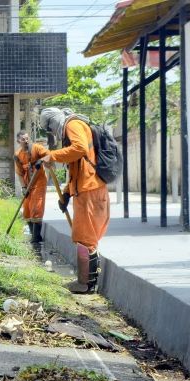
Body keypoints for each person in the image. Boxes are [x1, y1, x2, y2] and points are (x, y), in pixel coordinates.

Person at [39, 107, 110, 294]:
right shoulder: (74, 126)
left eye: (50, 128)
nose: (52, 133)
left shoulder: (73, 124)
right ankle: (87, 282)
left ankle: (84, 284)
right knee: (86, 238)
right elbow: (76, 168)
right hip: (86, 189)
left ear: (53, 122)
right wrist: (67, 193)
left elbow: (79, 150)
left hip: (90, 190)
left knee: (85, 239)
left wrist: (52, 155)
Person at [13, 130, 49, 250]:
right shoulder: (18, 155)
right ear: (19, 141)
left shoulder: (37, 148)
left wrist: (42, 160)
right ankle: (36, 236)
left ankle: (35, 237)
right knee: (27, 209)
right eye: (23, 139)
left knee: (36, 207)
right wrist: (23, 187)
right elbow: (19, 173)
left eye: (27, 138)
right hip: (28, 183)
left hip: (39, 182)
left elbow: (50, 155)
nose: (26, 140)